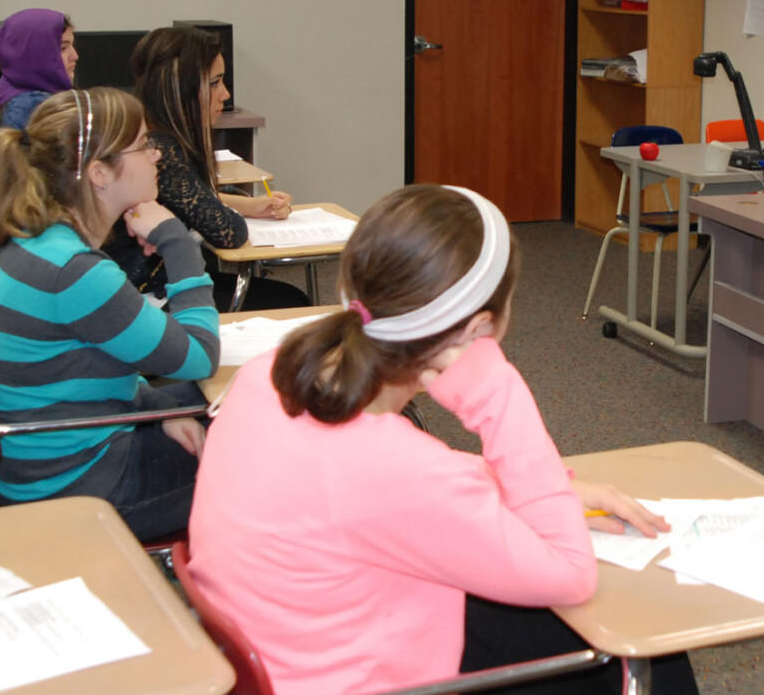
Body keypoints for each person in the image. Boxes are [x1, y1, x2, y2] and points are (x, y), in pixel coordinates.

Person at [187, 184, 699, 695]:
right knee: (655, 657)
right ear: (478, 329)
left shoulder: (266, 375)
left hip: (285, 656)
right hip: (368, 678)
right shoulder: (400, 468)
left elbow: (385, 490)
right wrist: (500, 397)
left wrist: (515, 487)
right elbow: (571, 574)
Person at [0, 87, 219, 540]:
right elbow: (200, 354)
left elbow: (83, 364)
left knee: (220, 405)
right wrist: (178, 242)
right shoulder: (75, 272)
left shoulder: (24, 240)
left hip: (40, 458)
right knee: (271, 454)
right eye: (143, 145)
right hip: (81, 488)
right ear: (99, 172)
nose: (156, 156)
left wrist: (153, 411)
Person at [103, 25, 308, 309]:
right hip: (148, 299)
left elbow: (185, 198)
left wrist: (250, 205)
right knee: (290, 302)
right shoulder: (162, 150)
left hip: (156, 285)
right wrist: (238, 211)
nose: (224, 94)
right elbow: (229, 233)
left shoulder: (156, 134)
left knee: (286, 297)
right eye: (215, 83)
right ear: (180, 90)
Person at [0, 8, 78, 134]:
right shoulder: (30, 106)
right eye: (63, 48)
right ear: (34, 54)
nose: (75, 56)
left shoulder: (10, 89)